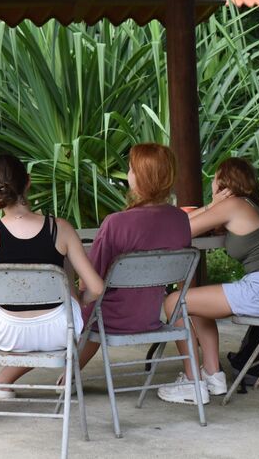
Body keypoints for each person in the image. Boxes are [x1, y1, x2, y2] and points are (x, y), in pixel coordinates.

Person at [157, 157, 259, 405]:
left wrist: (212, 206)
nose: (212, 182)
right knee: (195, 303)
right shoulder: (249, 206)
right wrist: (211, 206)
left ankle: (191, 382)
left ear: (223, 182)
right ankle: (213, 375)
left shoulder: (232, 205)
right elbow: (184, 225)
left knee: (174, 302)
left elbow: (179, 231)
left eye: (214, 178)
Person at [0, 154, 104, 398]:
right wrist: (79, 300)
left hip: (8, 333)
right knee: (64, 275)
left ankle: (0, 382)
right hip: (59, 330)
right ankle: (4, 380)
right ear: (28, 182)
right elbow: (96, 287)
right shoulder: (60, 228)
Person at [75, 143, 193, 375]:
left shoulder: (116, 222)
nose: (128, 174)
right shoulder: (180, 220)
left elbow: (88, 284)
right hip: (149, 317)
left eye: (130, 169)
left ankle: (69, 376)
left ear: (140, 177)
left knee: (78, 307)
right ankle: (69, 376)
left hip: (108, 319)